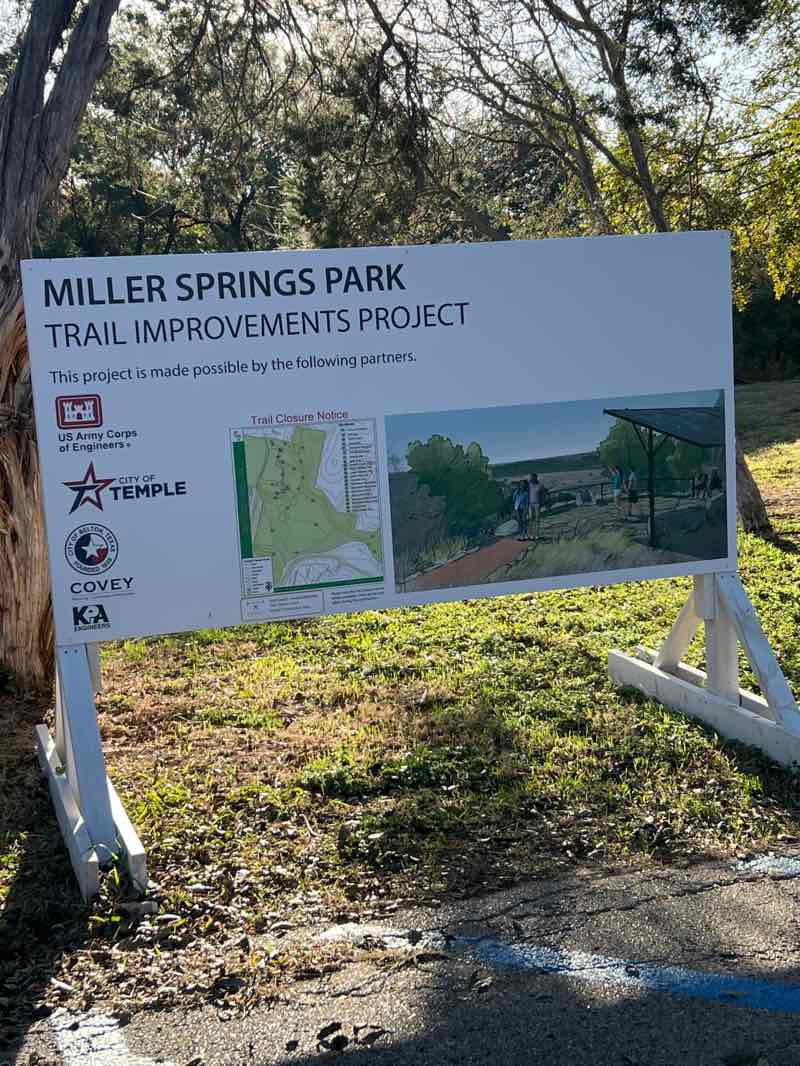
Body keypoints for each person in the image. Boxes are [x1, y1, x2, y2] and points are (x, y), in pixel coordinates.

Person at [527, 473, 543, 540]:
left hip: (537, 504)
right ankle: (530, 534)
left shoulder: (540, 485)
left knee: (537, 519)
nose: (530, 479)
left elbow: (544, 494)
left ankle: (536, 534)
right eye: (530, 478)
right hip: (530, 504)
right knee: (531, 519)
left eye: (532, 478)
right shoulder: (529, 485)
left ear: (535, 478)